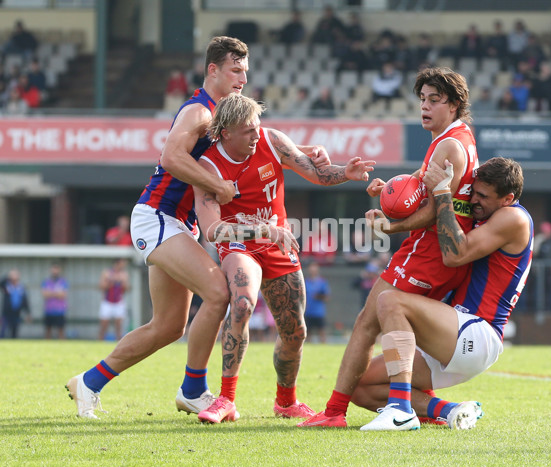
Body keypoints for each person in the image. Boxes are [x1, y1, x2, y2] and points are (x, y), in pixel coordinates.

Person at [66, 36, 332, 420]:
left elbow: (255, 145)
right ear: (213, 70)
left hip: (179, 224)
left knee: (168, 327)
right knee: (219, 292)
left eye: (245, 70)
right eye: (234, 70)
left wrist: (306, 153)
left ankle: (89, 382)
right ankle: (194, 390)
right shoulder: (199, 111)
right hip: (160, 216)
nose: (242, 77)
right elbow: (171, 157)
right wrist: (218, 187)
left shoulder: (224, 114)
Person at [299, 66, 479, 428]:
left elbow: (433, 211)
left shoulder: (448, 144)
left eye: (434, 100)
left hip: (427, 252)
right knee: (374, 327)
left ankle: (347, 412)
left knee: (368, 321)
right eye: (422, 100)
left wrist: (391, 225)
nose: (424, 107)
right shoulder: (456, 139)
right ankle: (438, 409)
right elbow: (421, 189)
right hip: (438, 254)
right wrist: (387, 192)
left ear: (456, 105)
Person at [191, 93, 375, 424]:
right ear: (226, 132)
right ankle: (226, 399)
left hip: (278, 245)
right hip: (239, 246)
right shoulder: (208, 166)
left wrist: (345, 172)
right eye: (247, 130)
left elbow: (317, 174)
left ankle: (286, 402)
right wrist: (262, 231)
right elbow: (213, 231)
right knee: (243, 303)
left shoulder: (271, 140)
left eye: (257, 128)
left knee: (296, 333)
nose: (255, 135)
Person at [352, 156, 533, 431]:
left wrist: (442, 192)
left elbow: (454, 255)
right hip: (452, 335)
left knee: (390, 301)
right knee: (361, 386)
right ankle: (450, 411)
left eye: (483, 196)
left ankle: (400, 411)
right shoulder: (491, 214)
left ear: (507, 199)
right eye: (473, 192)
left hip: (477, 332)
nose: (474, 201)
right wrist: (395, 191)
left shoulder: (514, 217)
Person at [97, 258, 130, 341]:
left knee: (119, 325)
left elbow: (127, 289)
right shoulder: (107, 273)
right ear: (117, 263)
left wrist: (122, 282)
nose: (124, 265)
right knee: (104, 324)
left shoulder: (124, 274)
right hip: (107, 302)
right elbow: (101, 286)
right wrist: (111, 281)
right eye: (122, 263)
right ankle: (100, 341)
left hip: (119, 302)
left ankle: (118, 342)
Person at [304, 262, 330, 344]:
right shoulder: (305, 282)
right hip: (308, 311)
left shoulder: (322, 282)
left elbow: (327, 297)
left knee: (321, 331)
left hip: (319, 312)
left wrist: (318, 296)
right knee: (308, 333)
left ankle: (324, 347)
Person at [41, 263, 68, 340]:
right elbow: (44, 294)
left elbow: (63, 295)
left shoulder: (63, 282)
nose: (55, 271)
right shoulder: (46, 281)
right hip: (49, 310)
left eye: (56, 269)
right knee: (48, 331)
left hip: (60, 310)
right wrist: (57, 293)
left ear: (59, 270)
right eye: (53, 269)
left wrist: (51, 293)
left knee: (61, 330)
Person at [0, 269, 30, 339]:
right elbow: (1, 283)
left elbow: (25, 301)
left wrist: (28, 312)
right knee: (3, 331)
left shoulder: (21, 287)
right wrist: (8, 277)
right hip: (6, 313)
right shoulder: (6, 286)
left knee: (14, 332)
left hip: (16, 313)